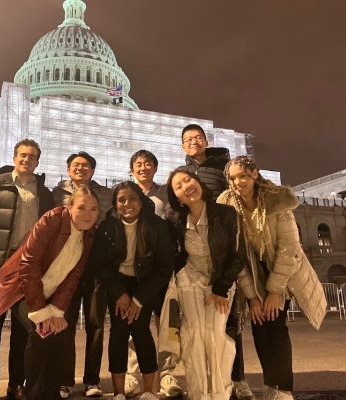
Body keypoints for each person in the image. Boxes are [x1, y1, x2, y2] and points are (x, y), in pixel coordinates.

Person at [219, 156, 327, 400]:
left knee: (275, 327)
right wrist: (253, 297)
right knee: (259, 327)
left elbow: (289, 247)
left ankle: (284, 389)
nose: (238, 182)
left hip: (282, 269)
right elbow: (237, 256)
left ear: (254, 174)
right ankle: (270, 387)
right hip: (250, 272)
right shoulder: (228, 205)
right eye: (233, 178)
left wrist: (275, 290)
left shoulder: (276, 201)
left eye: (243, 176)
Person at [0, 185, 100, 400]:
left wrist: (57, 310)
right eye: (82, 207)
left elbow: (73, 276)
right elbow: (28, 264)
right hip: (21, 288)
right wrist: (40, 310)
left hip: (49, 292)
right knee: (41, 332)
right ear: (69, 207)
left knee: (58, 336)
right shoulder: (52, 220)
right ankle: (33, 394)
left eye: (94, 209)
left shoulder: (89, 234)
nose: (88, 214)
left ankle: (51, 393)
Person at [0, 139, 54, 400]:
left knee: (22, 331)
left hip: (27, 267)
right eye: (23, 156)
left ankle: (16, 383)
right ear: (15, 158)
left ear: (38, 162)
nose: (27, 160)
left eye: (32, 157)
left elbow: (50, 230)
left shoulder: (43, 191)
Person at [179, 124, 253, 399]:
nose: (194, 142)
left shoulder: (222, 167)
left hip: (220, 247)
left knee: (229, 320)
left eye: (198, 138)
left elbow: (234, 198)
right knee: (196, 326)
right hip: (195, 249)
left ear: (205, 141)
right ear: (183, 146)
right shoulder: (183, 172)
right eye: (188, 139)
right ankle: (203, 380)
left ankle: (237, 379)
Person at [167, 168, 247, 400]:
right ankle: (198, 392)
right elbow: (174, 254)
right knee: (193, 334)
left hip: (219, 284)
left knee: (215, 334)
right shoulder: (176, 220)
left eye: (188, 180)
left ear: (198, 181)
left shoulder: (226, 213)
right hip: (190, 279)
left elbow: (238, 253)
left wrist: (221, 288)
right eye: (178, 186)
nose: (186, 187)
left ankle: (221, 392)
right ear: (176, 197)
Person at [91, 181, 175, 400]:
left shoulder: (156, 225)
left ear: (141, 201)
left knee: (141, 330)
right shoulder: (108, 226)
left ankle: (150, 391)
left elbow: (164, 265)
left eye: (132, 198)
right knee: (118, 332)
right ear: (115, 203)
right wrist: (119, 294)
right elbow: (100, 264)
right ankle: (118, 392)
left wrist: (138, 299)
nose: (127, 204)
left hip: (145, 283)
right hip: (117, 284)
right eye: (121, 200)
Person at [52, 151, 112, 398]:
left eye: (86, 166)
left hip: (96, 268)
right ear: (68, 170)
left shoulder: (105, 194)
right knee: (65, 326)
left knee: (96, 326)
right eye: (76, 165)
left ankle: (91, 381)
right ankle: (65, 380)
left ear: (93, 171)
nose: (81, 169)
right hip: (67, 268)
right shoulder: (56, 194)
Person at [125, 150, 181, 398]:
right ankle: (132, 375)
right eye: (138, 164)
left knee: (168, 323)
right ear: (131, 169)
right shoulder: (126, 193)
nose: (143, 167)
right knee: (134, 323)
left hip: (163, 268)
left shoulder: (165, 195)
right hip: (134, 270)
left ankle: (167, 373)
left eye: (148, 163)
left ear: (156, 169)